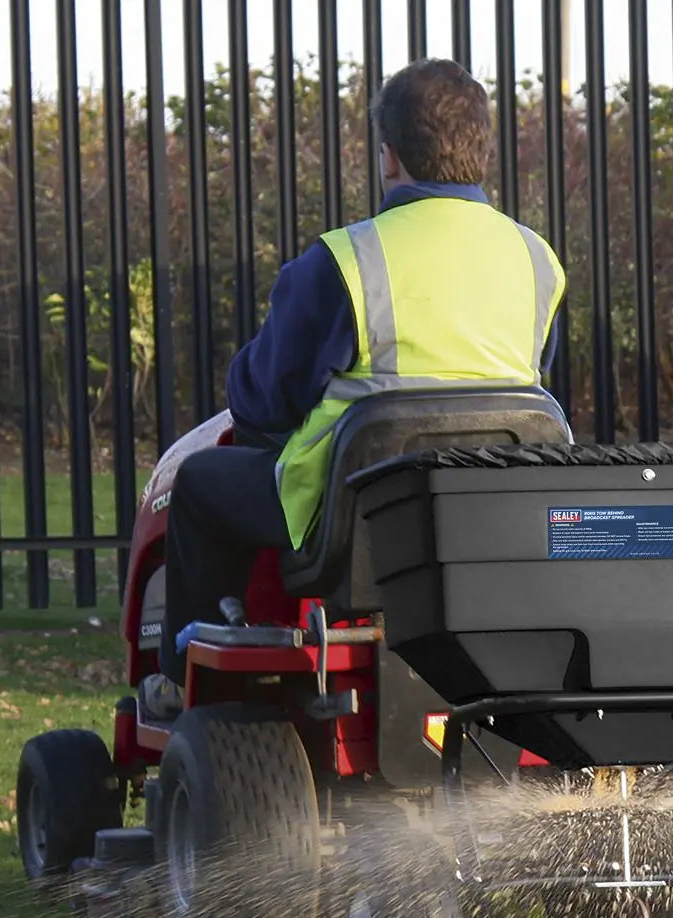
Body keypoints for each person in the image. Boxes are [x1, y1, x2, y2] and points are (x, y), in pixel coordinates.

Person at [139, 57, 566, 722]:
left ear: (390, 158)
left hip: (352, 526)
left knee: (201, 484)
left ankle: (179, 683)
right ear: (481, 148)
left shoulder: (346, 261)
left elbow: (263, 400)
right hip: (489, 522)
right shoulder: (537, 259)